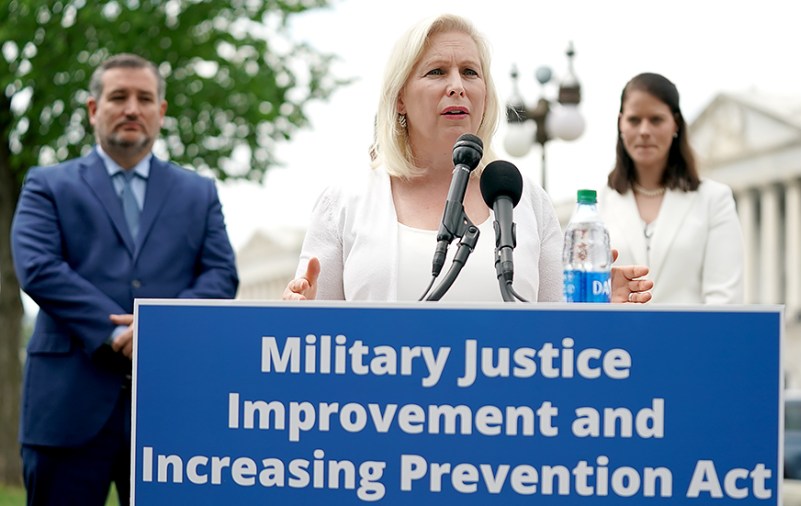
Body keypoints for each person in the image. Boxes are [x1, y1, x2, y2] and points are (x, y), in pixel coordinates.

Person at [282, 13, 652, 304]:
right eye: (437, 71)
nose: (457, 85)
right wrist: (299, 314)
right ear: (399, 98)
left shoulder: (527, 201)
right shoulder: (345, 202)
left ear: (486, 96)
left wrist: (594, 305)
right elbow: (315, 343)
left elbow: (559, 333)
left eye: (470, 72)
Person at [11, 53, 239, 505]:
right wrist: (113, 328)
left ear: (161, 111)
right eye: (118, 97)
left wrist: (159, 328)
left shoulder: (200, 192)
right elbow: (37, 265)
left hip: (171, 409)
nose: (132, 108)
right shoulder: (47, 185)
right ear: (94, 109)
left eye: (145, 98)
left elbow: (221, 273)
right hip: (67, 410)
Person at [597, 72, 743, 304]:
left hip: (691, 339)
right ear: (620, 123)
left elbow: (724, 299)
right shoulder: (595, 204)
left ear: (675, 123)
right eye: (634, 120)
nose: (644, 130)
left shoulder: (715, 200)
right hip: (615, 340)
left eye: (656, 119)